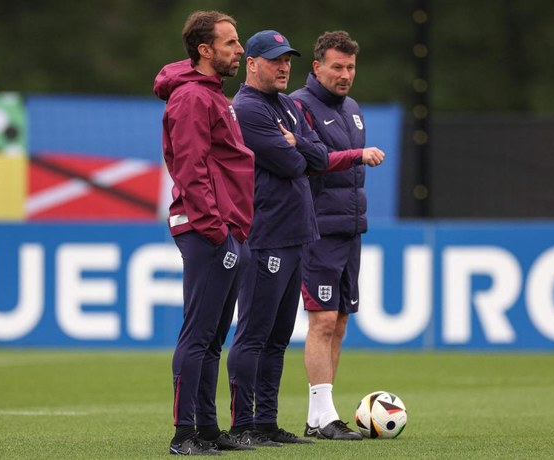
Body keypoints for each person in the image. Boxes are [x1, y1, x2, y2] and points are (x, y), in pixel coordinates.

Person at [226, 29, 383, 448]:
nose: (283, 67)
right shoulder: (256, 108)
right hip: (271, 232)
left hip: (304, 230)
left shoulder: (289, 107)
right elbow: (297, 163)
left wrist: (305, 149)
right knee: (260, 333)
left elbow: (314, 154)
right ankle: (244, 424)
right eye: (274, 60)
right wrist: (305, 152)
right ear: (252, 64)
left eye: (286, 60)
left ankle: (267, 422)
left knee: (282, 336)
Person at [153, 10, 255, 456]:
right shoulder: (193, 98)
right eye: (231, 42)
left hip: (225, 229)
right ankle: (183, 434)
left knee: (213, 337)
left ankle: (208, 430)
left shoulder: (212, 95)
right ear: (205, 50)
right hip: (207, 230)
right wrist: (216, 231)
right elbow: (189, 169)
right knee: (198, 334)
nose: (240, 50)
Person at [290, 30, 385, 440]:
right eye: (337, 67)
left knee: (340, 322)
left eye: (350, 67)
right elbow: (312, 159)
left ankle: (319, 418)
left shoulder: (353, 108)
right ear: (317, 67)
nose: (345, 74)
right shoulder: (299, 105)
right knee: (323, 320)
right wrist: (357, 155)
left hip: (350, 229)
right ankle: (324, 417)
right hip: (318, 230)